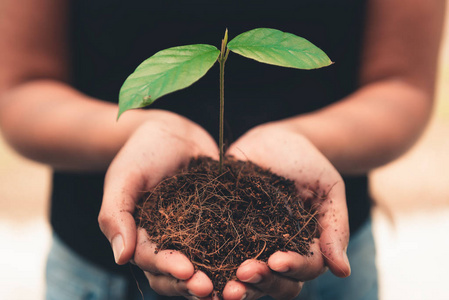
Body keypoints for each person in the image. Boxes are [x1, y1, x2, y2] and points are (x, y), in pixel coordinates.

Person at [0, 0, 445, 299]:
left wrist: (306, 139)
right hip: (95, 274)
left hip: (321, 260)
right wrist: (143, 128)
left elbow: (401, 84)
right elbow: (20, 92)